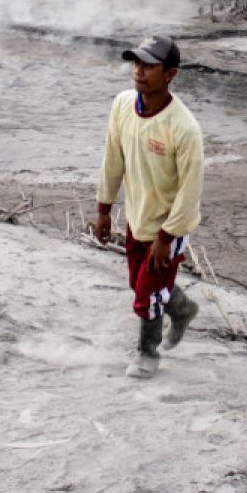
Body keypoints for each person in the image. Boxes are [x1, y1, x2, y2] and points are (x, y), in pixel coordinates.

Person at [96, 36, 203, 378]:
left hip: (168, 227)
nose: (139, 72)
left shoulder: (183, 128)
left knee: (147, 293)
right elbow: (112, 159)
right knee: (138, 283)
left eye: (149, 66)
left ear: (170, 74)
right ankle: (183, 308)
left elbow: (190, 192)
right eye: (136, 64)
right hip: (137, 217)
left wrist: (166, 237)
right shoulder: (123, 105)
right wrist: (104, 209)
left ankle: (147, 354)